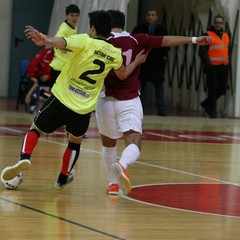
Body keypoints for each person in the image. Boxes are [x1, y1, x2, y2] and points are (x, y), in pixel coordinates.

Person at [0, 10, 146, 190]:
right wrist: (136, 62)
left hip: (62, 99)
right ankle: (62, 178)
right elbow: (123, 74)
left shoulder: (85, 40)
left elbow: (63, 42)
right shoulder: (115, 53)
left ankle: (24, 158)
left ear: (92, 28)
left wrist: (45, 39)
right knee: (74, 142)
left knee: (36, 129)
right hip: (83, 109)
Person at [95, 10, 213, 195]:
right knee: (134, 140)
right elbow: (166, 40)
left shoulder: (100, 43)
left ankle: (113, 184)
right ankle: (122, 164)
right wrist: (194, 39)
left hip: (105, 101)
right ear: (124, 24)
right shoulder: (137, 39)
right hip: (128, 99)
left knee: (108, 144)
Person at [132, 9, 169, 116]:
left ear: (156, 17)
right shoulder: (139, 28)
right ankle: (140, 107)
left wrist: (163, 56)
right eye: (149, 15)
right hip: (144, 61)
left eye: (153, 15)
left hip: (157, 62)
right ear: (146, 16)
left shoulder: (161, 29)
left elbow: (166, 43)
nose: (151, 17)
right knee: (141, 85)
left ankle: (161, 108)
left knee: (159, 85)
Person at [199, 15, 230, 118]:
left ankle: (206, 104)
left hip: (223, 66)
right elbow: (202, 52)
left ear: (222, 24)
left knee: (222, 88)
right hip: (212, 67)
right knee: (212, 89)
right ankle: (211, 110)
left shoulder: (226, 35)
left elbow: (226, 50)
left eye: (220, 22)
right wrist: (208, 65)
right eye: (216, 22)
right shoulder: (208, 35)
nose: (218, 24)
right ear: (213, 23)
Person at [24, 47, 54, 114]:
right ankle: (33, 106)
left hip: (52, 78)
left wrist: (49, 76)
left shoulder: (63, 56)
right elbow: (33, 63)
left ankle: (53, 107)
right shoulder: (45, 52)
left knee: (59, 87)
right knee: (33, 83)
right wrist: (32, 76)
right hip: (39, 77)